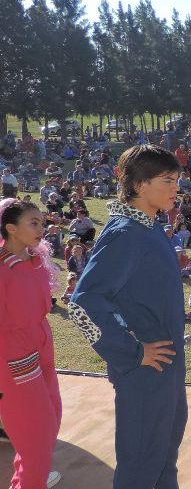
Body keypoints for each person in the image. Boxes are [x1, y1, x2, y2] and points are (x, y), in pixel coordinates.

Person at [68, 146, 187, 489]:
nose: (175, 187)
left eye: (176, 179)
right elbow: (85, 301)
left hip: (167, 371)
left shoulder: (150, 227)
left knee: (164, 464)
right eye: (167, 180)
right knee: (140, 469)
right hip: (143, 375)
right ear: (138, 184)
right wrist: (133, 351)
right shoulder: (124, 234)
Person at [0, 199, 63, 489]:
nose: (42, 228)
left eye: (42, 222)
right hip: (13, 356)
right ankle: (29, 480)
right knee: (36, 434)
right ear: (11, 229)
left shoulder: (36, 261)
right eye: (33, 223)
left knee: (51, 420)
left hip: (42, 346)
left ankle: (29, 476)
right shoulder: (3, 271)